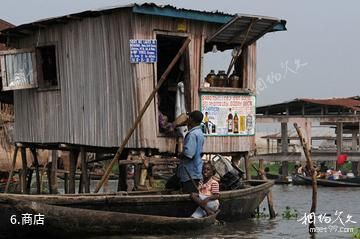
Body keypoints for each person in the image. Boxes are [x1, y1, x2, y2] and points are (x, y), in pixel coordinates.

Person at [177, 110, 205, 193]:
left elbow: (189, 154)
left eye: (189, 118)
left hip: (190, 173)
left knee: (191, 195)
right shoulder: (199, 132)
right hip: (196, 170)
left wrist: (180, 155)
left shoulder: (192, 134)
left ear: (191, 120)